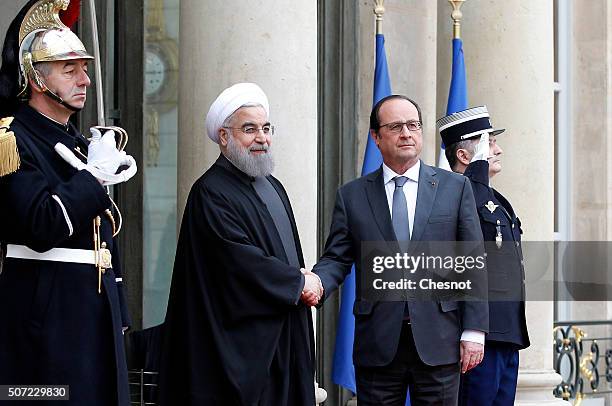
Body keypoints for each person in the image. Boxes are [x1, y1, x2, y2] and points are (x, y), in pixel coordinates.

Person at [0, 0, 137, 405]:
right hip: (44, 321)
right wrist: (92, 177)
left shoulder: (75, 141)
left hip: (90, 315)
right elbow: (42, 224)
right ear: (37, 79)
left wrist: (118, 313)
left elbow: (102, 244)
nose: (85, 79)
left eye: (85, 68)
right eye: (69, 69)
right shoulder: (12, 141)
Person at [312, 94, 489, 405]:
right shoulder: (352, 196)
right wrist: (315, 283)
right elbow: (337, 259)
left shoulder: (455, 188)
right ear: (376, 137)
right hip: (378, 344)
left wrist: (474, 330)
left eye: (413, 125)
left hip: (440, 339)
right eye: (395, 127)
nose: (407, 133)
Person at [158, 82, 320, 405]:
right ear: (224, 136)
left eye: (265, 128)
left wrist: (300, 282)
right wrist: (298, 282)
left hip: (285, 340)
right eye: (249, 129)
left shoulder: (273, 186)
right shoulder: (210, 192)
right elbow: (239, 262)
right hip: (244, 354)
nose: (261, 138)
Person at [437, 106, 530, 406]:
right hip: (479, 337)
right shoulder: (455, 194)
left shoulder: (496, 200)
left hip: (505, 333)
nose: (498, 150)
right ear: (466, 156)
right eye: (489, 143)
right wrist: (476, 171)